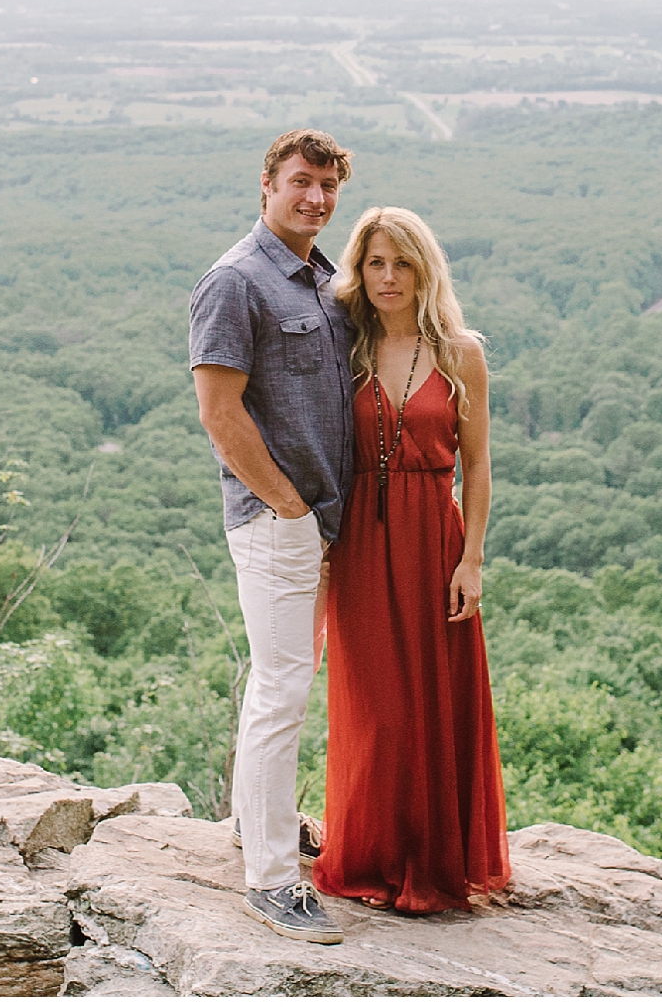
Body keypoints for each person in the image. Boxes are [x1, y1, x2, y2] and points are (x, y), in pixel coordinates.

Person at [314, 205, 510, 914]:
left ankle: (430, 863)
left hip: (436, 539)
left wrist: (473, 560)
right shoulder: (347, 347)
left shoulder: (462, 352)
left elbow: (480, 465)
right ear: (358, 271)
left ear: (424, 267)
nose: (388, 276)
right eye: (374, 262)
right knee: (376, 708)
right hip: (362, 541)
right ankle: (372, 855)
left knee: (430, 702)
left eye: (401, 261)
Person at [188, 128, 358, 945]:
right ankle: (270, 877)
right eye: (301, 181)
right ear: (267, 183)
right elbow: (221, 415)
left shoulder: (324, 280)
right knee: (283, 688)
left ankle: (256, 818)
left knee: (284, 677)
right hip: (276, 520)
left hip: (320, 521)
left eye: (328, 185)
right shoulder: (236, 281)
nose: (316, 198)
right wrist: (288, 506)